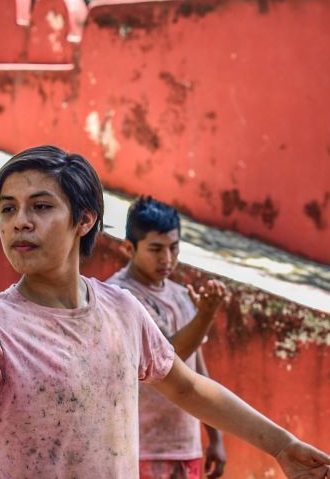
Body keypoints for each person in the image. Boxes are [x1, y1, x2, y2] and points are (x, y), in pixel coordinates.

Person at [0, 145, 330, 478]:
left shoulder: (122, 310)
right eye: (8, 208)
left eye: (41, 206)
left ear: (85, 220)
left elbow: (188, 388)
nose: (19, 222)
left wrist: (281, 445)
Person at [107, 196, 227, 479]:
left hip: (185, 446)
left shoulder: (182, 296)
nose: (167, 259)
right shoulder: (120, 297)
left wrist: (216, 438)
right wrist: (205, 316)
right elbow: (164, 360)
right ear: (128, 248)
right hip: (140, 448)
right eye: (156, 249)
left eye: (174, 248)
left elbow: (198, 373)